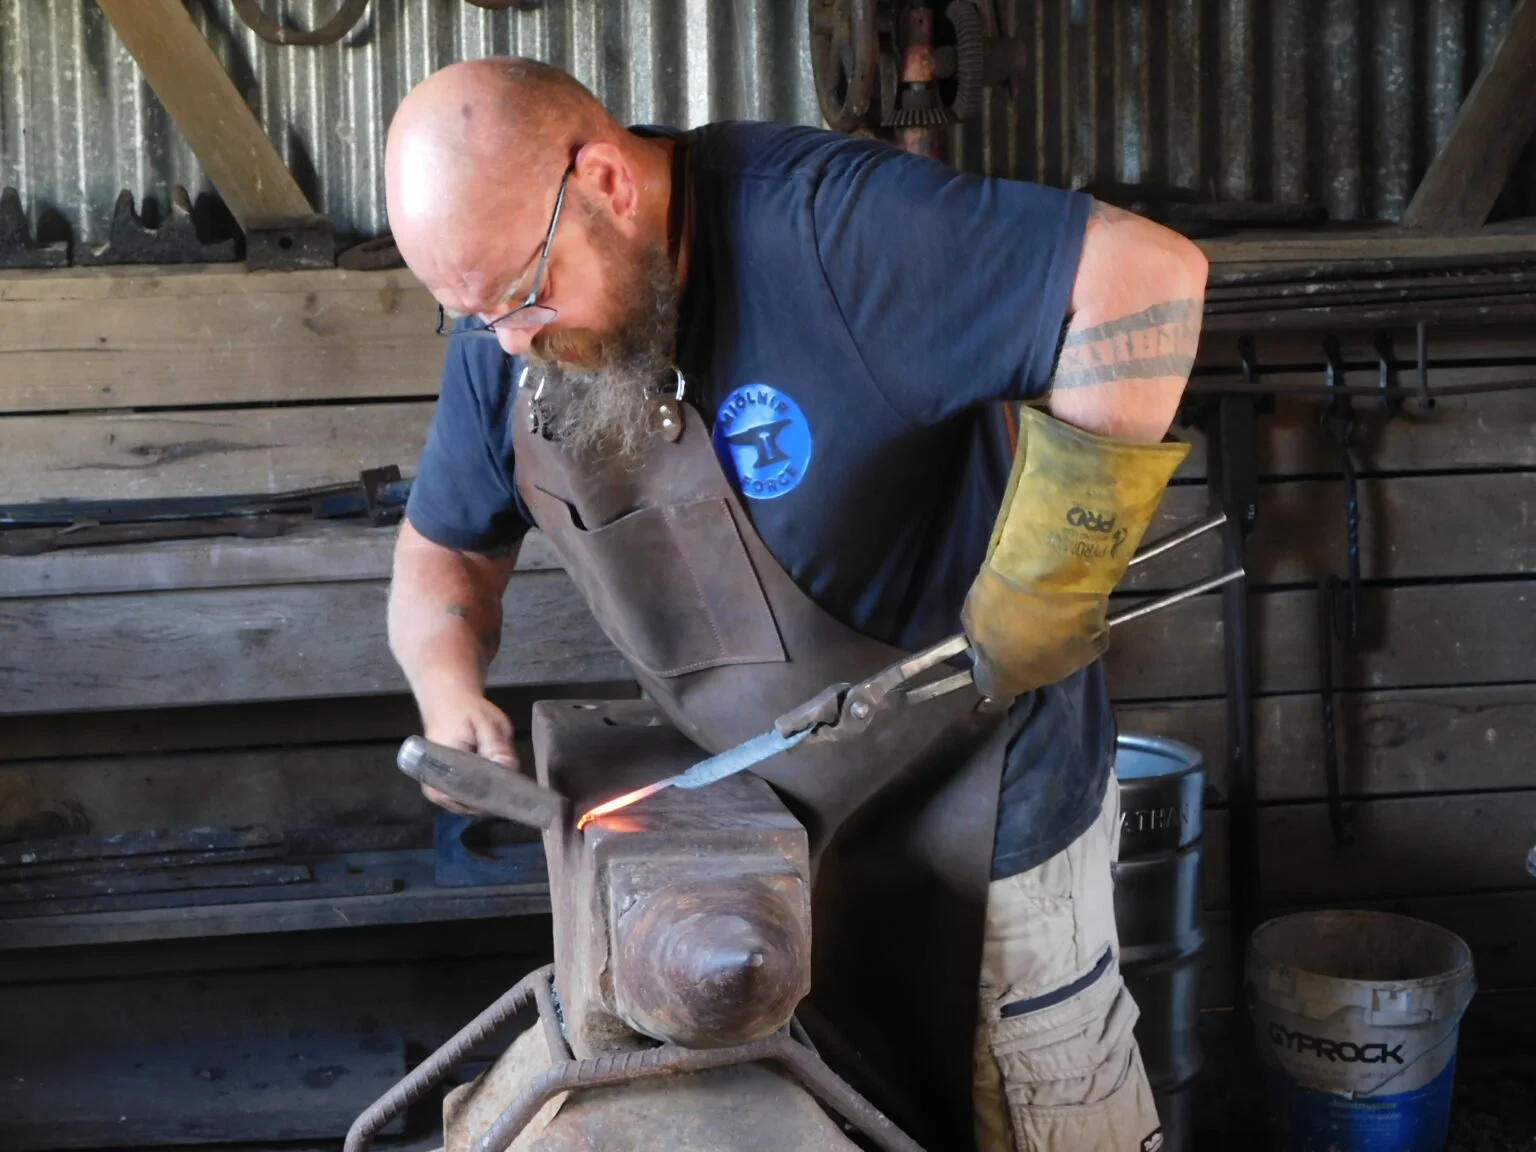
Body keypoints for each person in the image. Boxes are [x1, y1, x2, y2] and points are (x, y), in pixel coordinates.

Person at [384, 56, 1205, 1152]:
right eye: (471, 314)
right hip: (761, 835)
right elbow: (441, 560)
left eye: (525, 296)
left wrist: (1051, 579)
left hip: (981, 816)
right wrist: (449, 692)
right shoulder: (509, 333)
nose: (510, 340)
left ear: (606, 183)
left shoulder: (827, 230)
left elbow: (1145, 276)